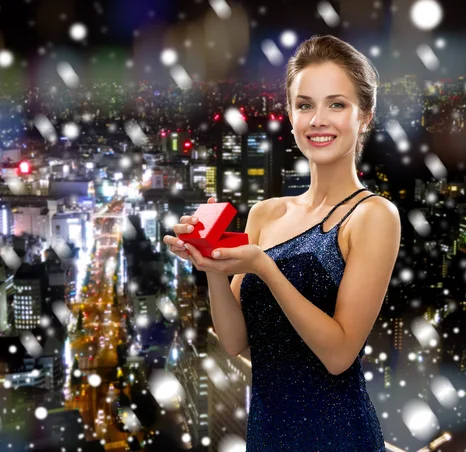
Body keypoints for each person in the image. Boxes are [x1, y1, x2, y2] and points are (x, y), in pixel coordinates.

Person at [163, 34, 401, 451]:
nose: (318, 119)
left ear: (364, 116)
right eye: (305, 105)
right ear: (290, 116)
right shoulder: (265, 213)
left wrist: (264, 267)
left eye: (337, 104)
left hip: (338, 437)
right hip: (267, 434)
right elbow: (234, 341)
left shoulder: (373, 215)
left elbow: (339, 355)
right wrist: (213, 269)